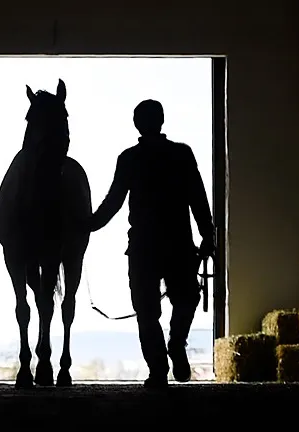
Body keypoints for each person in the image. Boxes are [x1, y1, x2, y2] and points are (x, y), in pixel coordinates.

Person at [89, 99, 215, 388]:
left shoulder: (129, 159)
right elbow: (198, 197)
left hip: (144, 247)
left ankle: (158, 368)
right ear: (161, 121)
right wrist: (208, 236)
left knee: (146, 310)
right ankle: (176, 343)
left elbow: (113, 202)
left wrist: (88, 224)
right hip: (179, 243)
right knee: (186, 298)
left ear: (137, 125)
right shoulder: (181, 154)